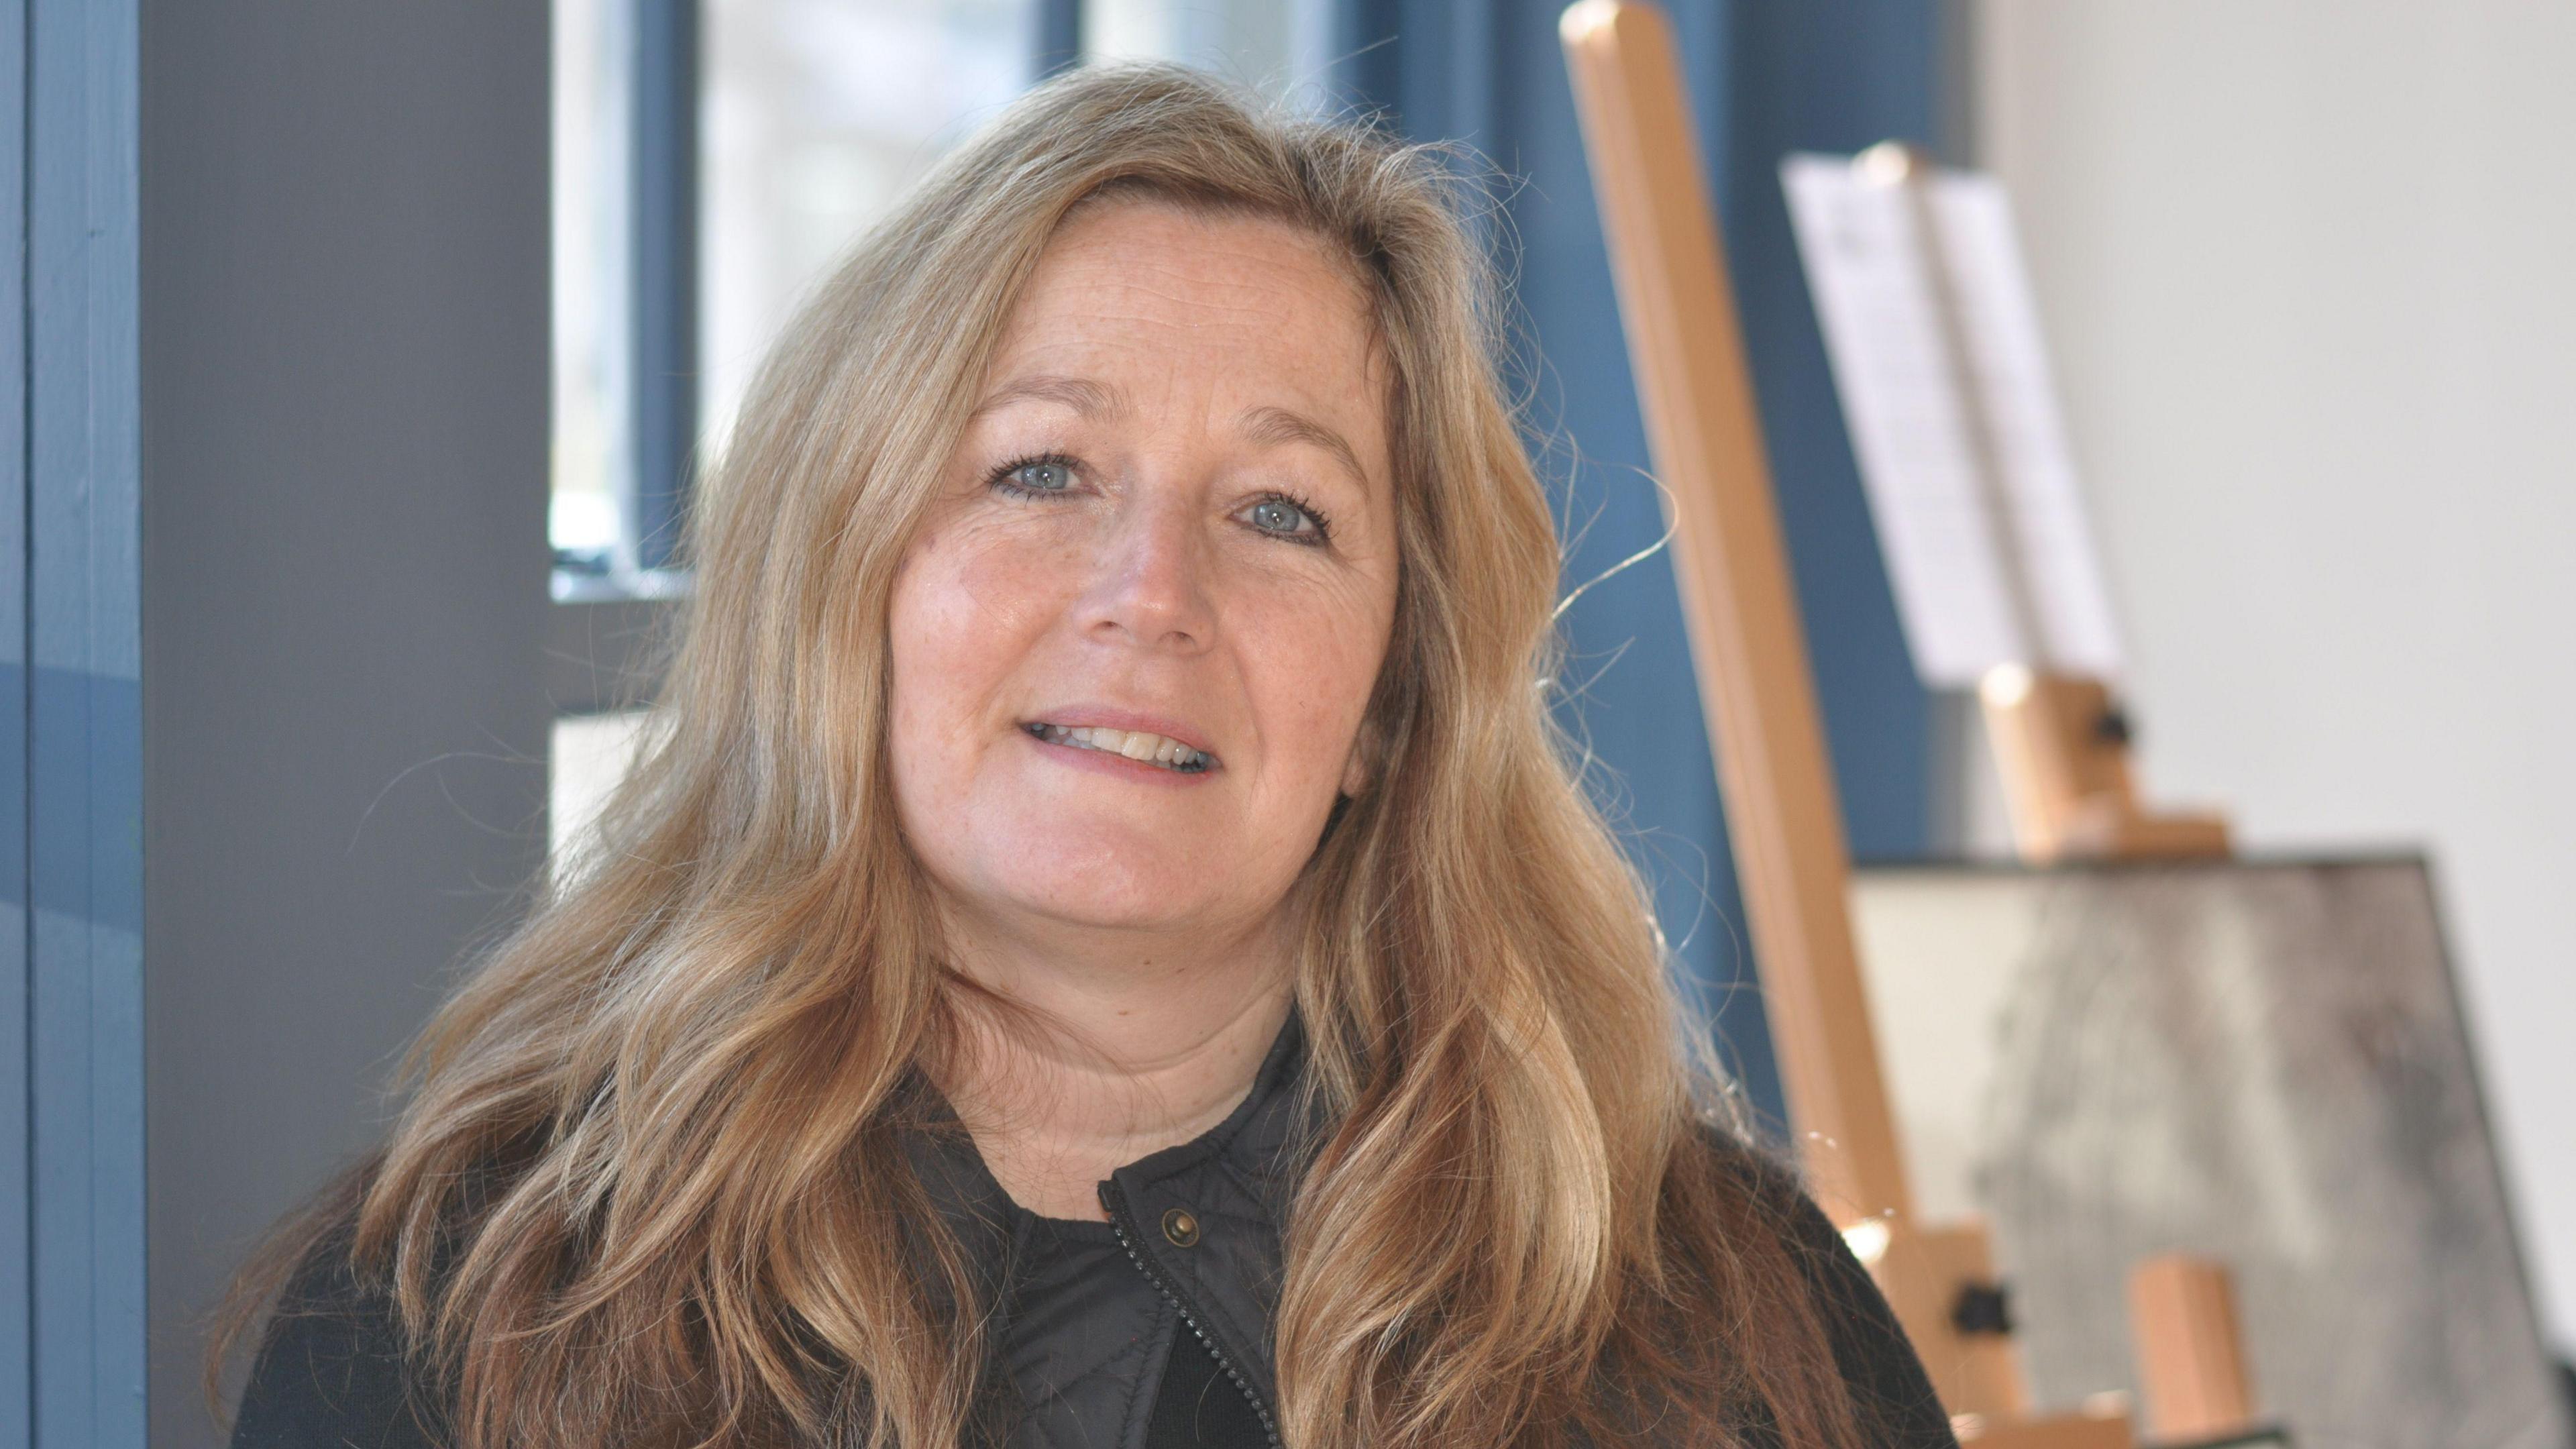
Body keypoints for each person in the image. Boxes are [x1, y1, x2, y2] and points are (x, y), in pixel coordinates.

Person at [217, 63, 1955, 1449]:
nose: (1156, 598)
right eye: (1043, 472)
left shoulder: (1728, 1330)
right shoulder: (470, 1310)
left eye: (1283, 513)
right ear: (850, 582)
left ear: (1395, 699)